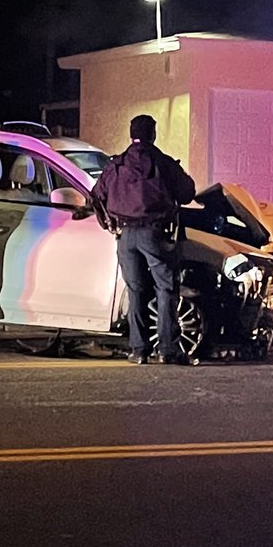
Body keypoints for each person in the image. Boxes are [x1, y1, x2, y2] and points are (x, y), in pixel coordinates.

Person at [90, 114, 198, 365]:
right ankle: (168, 349)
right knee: (166, 289)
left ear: (131, 135)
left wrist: (108, 223)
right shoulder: (163, 163)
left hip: (126, 236)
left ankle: (139, 351)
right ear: (153, 134)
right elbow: (187, 193)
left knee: (136, 291)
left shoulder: (116, 165)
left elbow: (96, 196)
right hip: (155, 233)